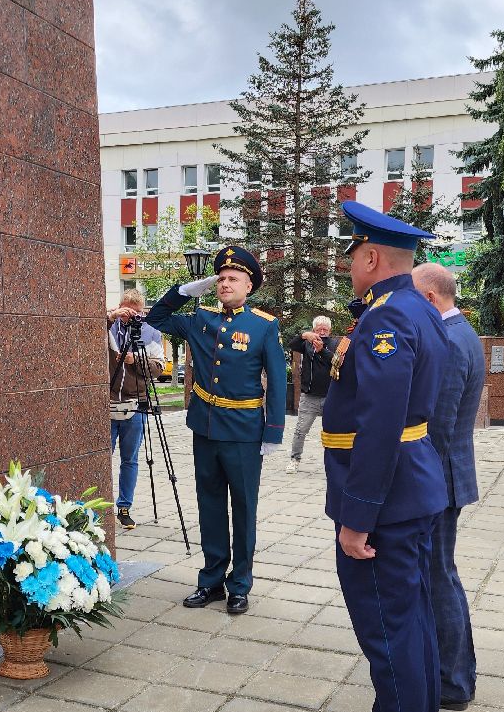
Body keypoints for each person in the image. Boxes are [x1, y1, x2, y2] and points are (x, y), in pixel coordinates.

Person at [322, 201, 449, 712]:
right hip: (412, 495)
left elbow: (379, 426)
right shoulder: (417, 311)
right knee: (413, 632)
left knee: (392, 640)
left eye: (352, 256)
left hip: (385, 507)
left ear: (372, 257)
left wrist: (357, 517)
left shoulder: (386, 321)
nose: (349, 267)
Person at [147, 246, 286, 614]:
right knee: (209, 507)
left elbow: (278, 379)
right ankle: (210, 581)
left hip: (243, 432)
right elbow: (157, 317)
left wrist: (273, 431)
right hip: (205, 430)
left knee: (242, 509)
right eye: (221, 278)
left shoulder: (263, 325)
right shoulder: (200, 319)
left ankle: (239, 584)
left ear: (249, 285)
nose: (225, 283)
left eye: (233, 278)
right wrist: (189, 289)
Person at [412, 262, 485, 709]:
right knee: (442, 574)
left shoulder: (451, 340)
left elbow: (437, 425)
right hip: (445, 476)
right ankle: (455, 673)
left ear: (431, 298)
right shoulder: (460, 332)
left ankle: (454, 683)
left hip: (439, 478)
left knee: (439, 577)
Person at [107, 289, 165, 529]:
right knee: (102, 458)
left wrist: (136, 360)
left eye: (134, 313)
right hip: (107, 402)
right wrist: (110, 317)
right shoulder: (109, 327)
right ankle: (97, 506)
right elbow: (85, 329)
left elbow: (159, 367)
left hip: (135, 404)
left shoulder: (150, 333)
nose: (129, 317)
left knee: (129, 459)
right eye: (125, 311)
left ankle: (124, 507)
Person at [286, 316, 341, 473]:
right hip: (309, 397)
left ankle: (334, 463)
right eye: (318, 330)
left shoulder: (335, 344)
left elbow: (337, 362)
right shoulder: (307, 343)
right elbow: (292, 344)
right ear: (313, 330)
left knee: (333, 432)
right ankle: (294, 459)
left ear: (329, 331)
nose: (322, 332)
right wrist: (304, 335)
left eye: (325, 329)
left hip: (331, 396)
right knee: (300, 430)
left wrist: (322, 350)